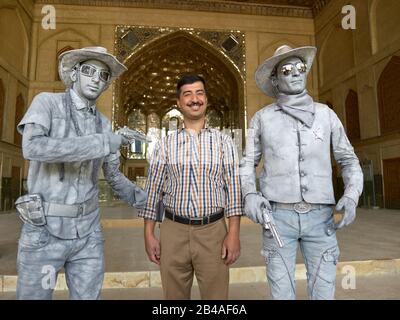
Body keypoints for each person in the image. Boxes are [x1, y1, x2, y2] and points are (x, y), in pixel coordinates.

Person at [15, 46, 147, 300]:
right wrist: (103, 143)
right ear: (74, 73)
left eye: (104, 75)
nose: (96, 78)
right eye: (89, 70)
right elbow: (33, 147)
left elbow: (113, 176)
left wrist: (150, 201)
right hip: (44, 229)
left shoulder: (104, 124)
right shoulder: (47, 103)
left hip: (88, 233)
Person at [239, 45, 363, 300]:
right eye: (287, 70)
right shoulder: (262, 118)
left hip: (321, 219)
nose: (296, 74)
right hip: (277, 218)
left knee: (323, 292)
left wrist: (351, 195)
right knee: (281, 293)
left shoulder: (326, 115)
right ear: (275, 79)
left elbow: (349, 160)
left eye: (300, 68)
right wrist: (250, 194)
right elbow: (247, 163)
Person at [139, 74, 242, 300]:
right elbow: (153, 190)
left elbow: (234, 192)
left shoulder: (224, 142)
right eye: (188, 94)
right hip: (173, 231)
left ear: (206, 99)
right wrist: (148, 233)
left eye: (200, 93)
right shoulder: (165, 144)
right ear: (179, 103)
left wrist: (233, 233)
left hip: (213, 231)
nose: (194, 99)